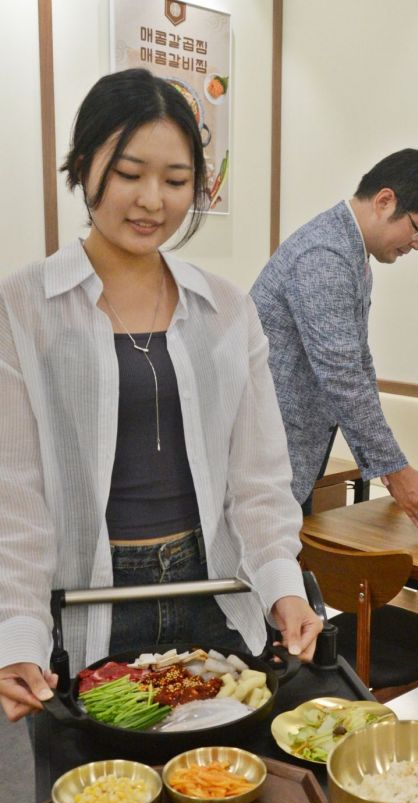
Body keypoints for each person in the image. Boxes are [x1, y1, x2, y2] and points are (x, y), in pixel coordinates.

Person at [0, 67, 322, 724]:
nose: (152, 200)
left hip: (214, 585)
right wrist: (18, 633)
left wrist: (283, 585)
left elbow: (258, 478)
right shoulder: (24, 307)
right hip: (88, 601)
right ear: (84, 166)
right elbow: (16, 497)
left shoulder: (225, 310)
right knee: (99, 779)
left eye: (176, 181)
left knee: (224, 775)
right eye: (129, 173)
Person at [250, 149, 418, 535]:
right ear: (384, 201)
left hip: (291, 455)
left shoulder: (352, 253)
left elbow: (359, 364)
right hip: (262, 460)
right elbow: (342, 376)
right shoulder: (324, 256)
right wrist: (396, 470)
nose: (417, 244)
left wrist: (388, 465)